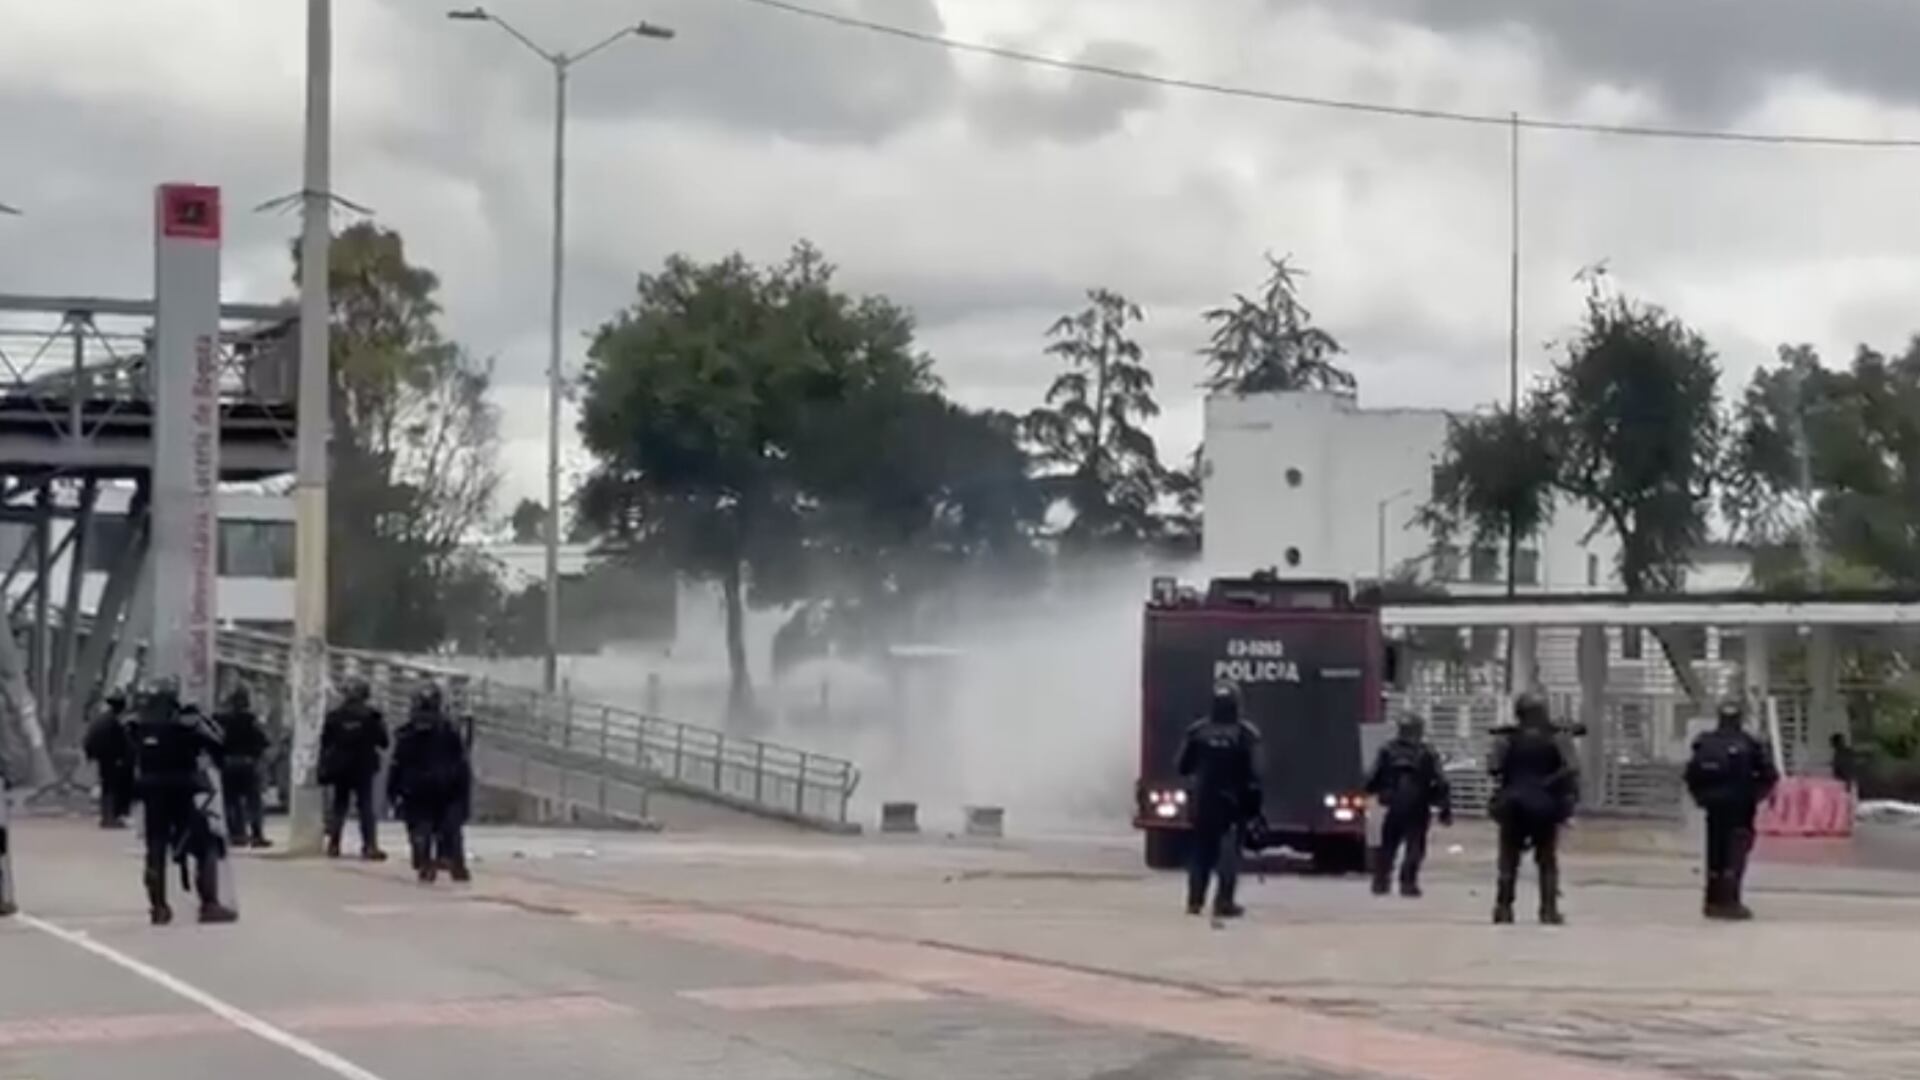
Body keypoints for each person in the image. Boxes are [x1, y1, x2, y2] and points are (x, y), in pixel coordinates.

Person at [130, 676, 236, 926]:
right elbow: (218, 744)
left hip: (151, 792)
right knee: (205, 843)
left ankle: (158, 907)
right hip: (182, 790)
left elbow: (127, 757)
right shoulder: (185, 722)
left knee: (155, 847)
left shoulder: (137, 724)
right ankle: (209, 904)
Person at [1684, 698, 1780, 921]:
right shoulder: (1750, 743)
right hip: (1739, 808)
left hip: (1713, 807)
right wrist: (1754, 797)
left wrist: (1700, 798)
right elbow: (1769, 775)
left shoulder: (1704, 742)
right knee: (1734, 854)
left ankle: (1712, 901)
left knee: (1715, 853)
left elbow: (1691, 774)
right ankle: (1730, 902)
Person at [1489, 691, 1578, 926]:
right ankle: (1548, 910)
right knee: (1547, 860)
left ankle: (1503, 909)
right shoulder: (1557, 738)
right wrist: (1554, 788)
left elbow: (1493, 767)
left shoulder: (1507, 739)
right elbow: (1572, 769)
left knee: (1508, 860)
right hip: (1544, 806)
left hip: (1513, 804)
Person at [1176, 680, 1262, 919]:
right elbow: (1255, 774)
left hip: (1203, 802)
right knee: (1229, 855)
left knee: (1201, 854)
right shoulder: (1246, 734)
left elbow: (1182, 767)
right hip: (1233, 804)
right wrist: (1254, 808)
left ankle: (1194, 902)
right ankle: (1223, 902)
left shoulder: (1197, 732)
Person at [387, 681, 473, 884]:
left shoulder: (406, 733)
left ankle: (427, 861)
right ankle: (451, 862)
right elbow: (462, 763)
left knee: (422, 828)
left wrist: (393, 793)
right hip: (443, 787)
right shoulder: (448, 731)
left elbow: (396, 766)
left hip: (418, 789)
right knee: (450, 829)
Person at [1366, 713, 1452, 898]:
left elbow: (1373, 776)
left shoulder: (1388, 750)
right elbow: (1441, 781)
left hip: (1395, 805)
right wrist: (1444, 806)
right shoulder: (1427, 752)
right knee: (1415, 845)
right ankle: (1408, 882)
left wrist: (1372, 790)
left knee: (1388, 844)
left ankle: (1381, 882)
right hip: (1418, 805)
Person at [319, 677, 389, 861]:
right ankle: (370, 846)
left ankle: (334, 844)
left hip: (341, 766)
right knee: (365, 805)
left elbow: (325, 741)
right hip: (364, 766)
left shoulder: (334, 716)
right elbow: (384, 742)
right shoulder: (372, 716)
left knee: (339, 804)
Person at [214, 685, 271, 849]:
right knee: (254, 801)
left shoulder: (222, 720)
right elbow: (263, 741)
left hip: (228, 763)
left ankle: (237, 834)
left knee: (231, 801)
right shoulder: (252, 720)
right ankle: (256, 835)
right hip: (248, 763)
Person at [83, 690, 135, 829]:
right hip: (111, 759)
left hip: (103, 758)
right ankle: (111, 817)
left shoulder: (103, 719)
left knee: (107, 787)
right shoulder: (113, 722)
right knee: (113, 788)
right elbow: (119, 743)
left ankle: (107, 816)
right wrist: (122, 759)